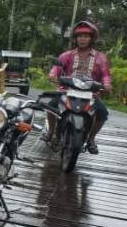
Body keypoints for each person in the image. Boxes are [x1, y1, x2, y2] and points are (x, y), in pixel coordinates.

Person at [45, 20, 112, 154]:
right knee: (51, 106)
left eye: (86, 36)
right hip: (67, 91)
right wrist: (52, 74)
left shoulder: (101, 58)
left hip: (91, 94)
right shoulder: (66, 55)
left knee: (103, 113)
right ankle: (51, 132)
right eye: (80, 36)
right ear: (75, 38)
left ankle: (91, 139)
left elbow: (105, 74)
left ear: (92, 39)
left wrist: (107, 84)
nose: (82, 39)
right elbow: (56, 68)